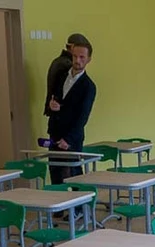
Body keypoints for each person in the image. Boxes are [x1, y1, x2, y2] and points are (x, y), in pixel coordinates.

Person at [46, 41, 96, 185]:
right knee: (55, 174)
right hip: (55, 132)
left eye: (82, 57)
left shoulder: (88, 86)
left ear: (88, 59)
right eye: (75, 56)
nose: (77, 60)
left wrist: (69, 139)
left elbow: (83, 117)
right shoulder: (61, 76)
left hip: (72, 137)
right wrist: (51, 105)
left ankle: (79, 201)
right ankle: (57, 200)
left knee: (74, 175)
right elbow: (52, 98)